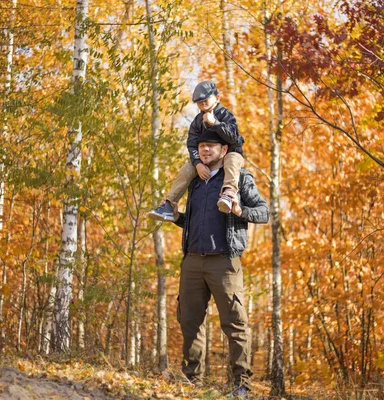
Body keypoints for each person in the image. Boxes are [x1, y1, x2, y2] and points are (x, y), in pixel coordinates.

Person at [169, 130, 269, 398]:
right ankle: (191, 382)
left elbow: (264, 211)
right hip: (192, 260)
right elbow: (192, 219)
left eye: (211, 146)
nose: (205, 151)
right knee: (189, 321)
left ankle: (241, 385)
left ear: (224, 151)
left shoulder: (238, 179)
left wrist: (239, 211)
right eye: (201, 146)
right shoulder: (196, 181)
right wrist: (178, 217)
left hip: (225, 263)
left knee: (235, 325)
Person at [148, 80, 245, 221]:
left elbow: (235, 138)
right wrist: (198, 163)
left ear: (217, 98)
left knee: (232, 160)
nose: (203, 103)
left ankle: (228, 194)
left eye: (206, 99)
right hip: (208, 159)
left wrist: (215, 124)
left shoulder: (225, 114)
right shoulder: (197, 121)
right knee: (186, 169)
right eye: (199, 102)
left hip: (230, 154)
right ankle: (168, 204)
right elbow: (192, 144)